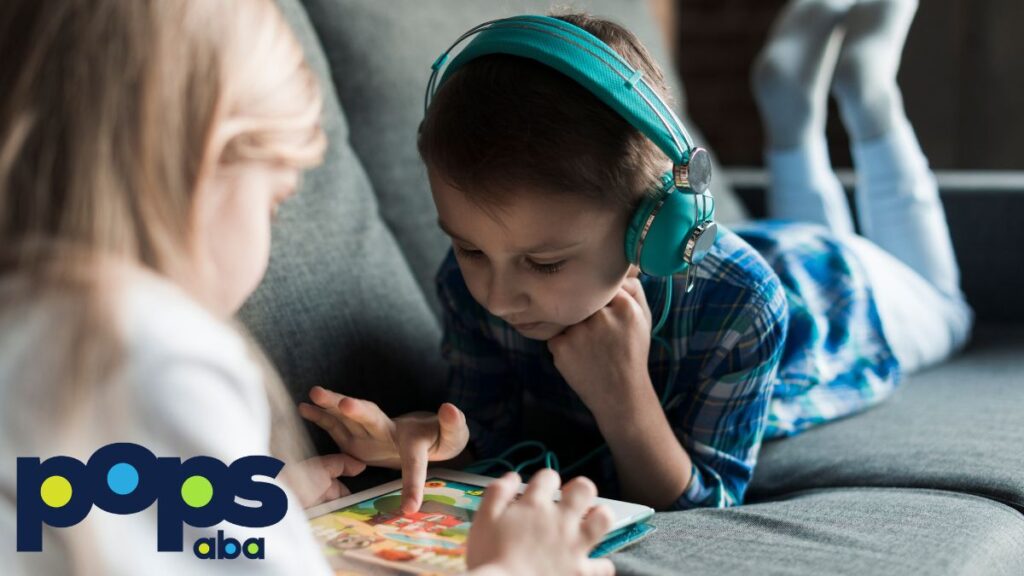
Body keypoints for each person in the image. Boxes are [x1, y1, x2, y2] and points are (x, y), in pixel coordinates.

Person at [0, 1, 613, 574]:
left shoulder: (32, 329)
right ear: (208, 166)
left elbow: (80, 513)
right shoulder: (156, 352)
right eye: (275, 202)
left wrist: (244, 515)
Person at [300, 7, 971, 514]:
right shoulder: (471, 284)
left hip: (844, 294)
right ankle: (791, 109)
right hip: (769, 242)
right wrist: (437, 440)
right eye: (470, 247)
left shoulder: (744, 306)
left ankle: (870, 94)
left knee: (952, 309)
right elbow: (499, 439)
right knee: (803, 225)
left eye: (545, 262)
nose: (498, 295)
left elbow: (703, 508)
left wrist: (624, 399)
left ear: (653, 232)